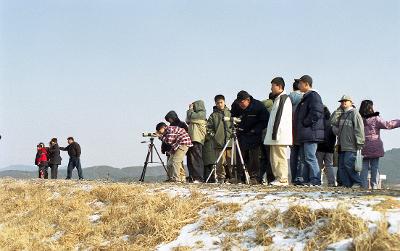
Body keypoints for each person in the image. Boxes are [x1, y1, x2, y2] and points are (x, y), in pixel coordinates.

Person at [359, 100, 400, 189]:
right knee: (375, 167)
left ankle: (364, 186)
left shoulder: (359, 118)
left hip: (363, 146)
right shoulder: (375, 118)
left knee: (364, 167)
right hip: (374, 145)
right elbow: (388, 125)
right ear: (370, 108)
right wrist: (398, 122)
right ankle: (374, 186)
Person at [231, 90, 268, 184]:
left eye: (242, 102)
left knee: (254, 156)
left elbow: (265, 120)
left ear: (248, 100)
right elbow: (233, 116)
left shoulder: (258, 106)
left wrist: (256, 130)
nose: (240, 105)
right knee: (240, 155)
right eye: (239, 102)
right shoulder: (235, 105)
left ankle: (254, 177)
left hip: (254, 134)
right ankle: (239, 177)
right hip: (241, 133)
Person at [294, 75, 325, 186]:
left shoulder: (313, 96)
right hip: (305, 133)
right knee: (304, 158)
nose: (298, 85)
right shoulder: (306, 96)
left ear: (307, 84)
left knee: (310, 157)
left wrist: (305, 122)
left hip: (310, 132)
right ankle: (307, 180)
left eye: (300, 83)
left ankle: (315, 180)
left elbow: (316, 112)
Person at [330, 95, 365, 188]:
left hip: (351, 145)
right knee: (341, 166)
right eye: (342, 101)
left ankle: (357, 182)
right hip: (341, 144)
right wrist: (338, 110)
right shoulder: (342, 114)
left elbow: (359, 128)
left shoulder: (355, 113)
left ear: (351, 102)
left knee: (348, 164)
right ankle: (346, 184)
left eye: (346, 101)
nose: (343, 102)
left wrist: (360, 142)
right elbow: (332, 121)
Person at [264, 77, 293, 186]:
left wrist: (275, 133)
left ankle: (282, 178)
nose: (271, 88)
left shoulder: (283, 98)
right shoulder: (278, 98)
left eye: (273, 86)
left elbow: (280, 118)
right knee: (274, 158)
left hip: (279, 134)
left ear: (279, 86)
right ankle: (278, 177)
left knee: (280, 157)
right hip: (275, 134)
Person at [206, 95, 233, 183]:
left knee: (230, 161)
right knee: (220, 162)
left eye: (221, 102)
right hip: (218, 143)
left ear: (224, 102)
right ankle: (221, 178)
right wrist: (214, 136)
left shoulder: (230, 113)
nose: (220, 104)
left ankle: (232, 177)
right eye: (218, 103)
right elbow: (208, 128)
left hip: (230, 142)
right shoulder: (213, 115)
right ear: (215, 104)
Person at [163, 110, 188, 182]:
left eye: (170, 119)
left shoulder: (182, 124)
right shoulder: (170, 126)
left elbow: (185, 135)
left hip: (179, 146)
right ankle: (171, 177)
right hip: (172, 148)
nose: (169, 121)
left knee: (177, 163)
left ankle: (180, 178)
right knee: (171, 164)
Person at [186, 100, 207, 182]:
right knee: (191, 159)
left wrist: (190, 109)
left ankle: (199, 177)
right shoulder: (195, 115)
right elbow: (188, 119)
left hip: (197, 139)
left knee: (197, 159)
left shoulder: (201, 114)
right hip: (193, 139)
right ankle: (193, 177)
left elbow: (190, 118)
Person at [316, 106, 336, 186]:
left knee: (318, 165)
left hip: (320, 146)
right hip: (330, 148)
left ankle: (317, 181)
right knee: (329, 166)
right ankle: (332, 182)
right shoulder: (332, 123)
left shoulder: (318, 122)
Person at [289, 80, 304, 184]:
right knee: (301, 156)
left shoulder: (290, 97)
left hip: (291, 129)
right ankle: (300, 177)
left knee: (293, 155)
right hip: (302, 129)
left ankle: (294, 177)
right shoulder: (305, 97)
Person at [260, 93, 275, 184]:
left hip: (262, 135)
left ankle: (260, 177)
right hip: (269, 136)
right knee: (271, 158)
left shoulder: (262, 106)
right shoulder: (273, 106)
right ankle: (271, 178)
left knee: (264, 158)